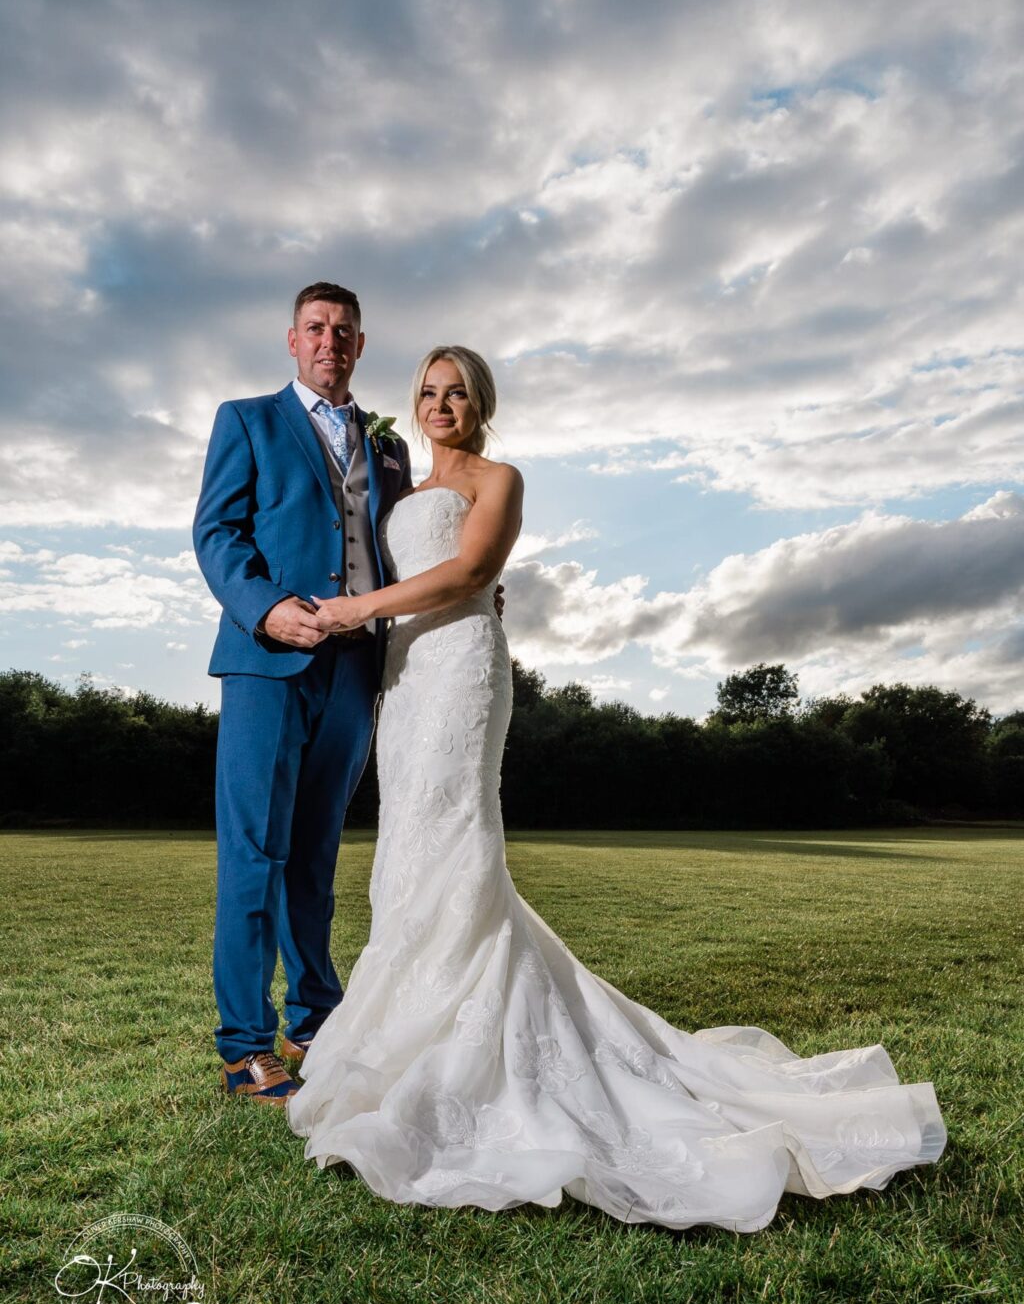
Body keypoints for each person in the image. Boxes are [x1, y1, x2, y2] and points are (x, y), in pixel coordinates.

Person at [285, 345, 947, 1231]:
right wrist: (363, 616)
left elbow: (475, 572)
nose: (442, 404)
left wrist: (361, 611)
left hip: (462, 672)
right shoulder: (398, 491)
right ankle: (405, 1028)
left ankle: (479, 1040)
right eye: (429, 392)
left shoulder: (499, 478)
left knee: (457, 839)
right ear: (414, 403)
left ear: (481, 404)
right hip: (404, 678)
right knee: (408, 840)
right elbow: (391, 569)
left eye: (459, 393)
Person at [194, 283, 461, 1105]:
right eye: (316, 327)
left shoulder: (385, 446)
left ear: (360, 344)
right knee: (254, 856)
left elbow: (399, 547)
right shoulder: (247, 420)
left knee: (314, 858)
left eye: (343, 330)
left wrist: (467, 586)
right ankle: (245, 1045)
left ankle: (318, 1018)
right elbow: (216, 532)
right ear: (292, 338)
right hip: (266, 667)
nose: (329, 341)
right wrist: (268, 609)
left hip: (353, 672)